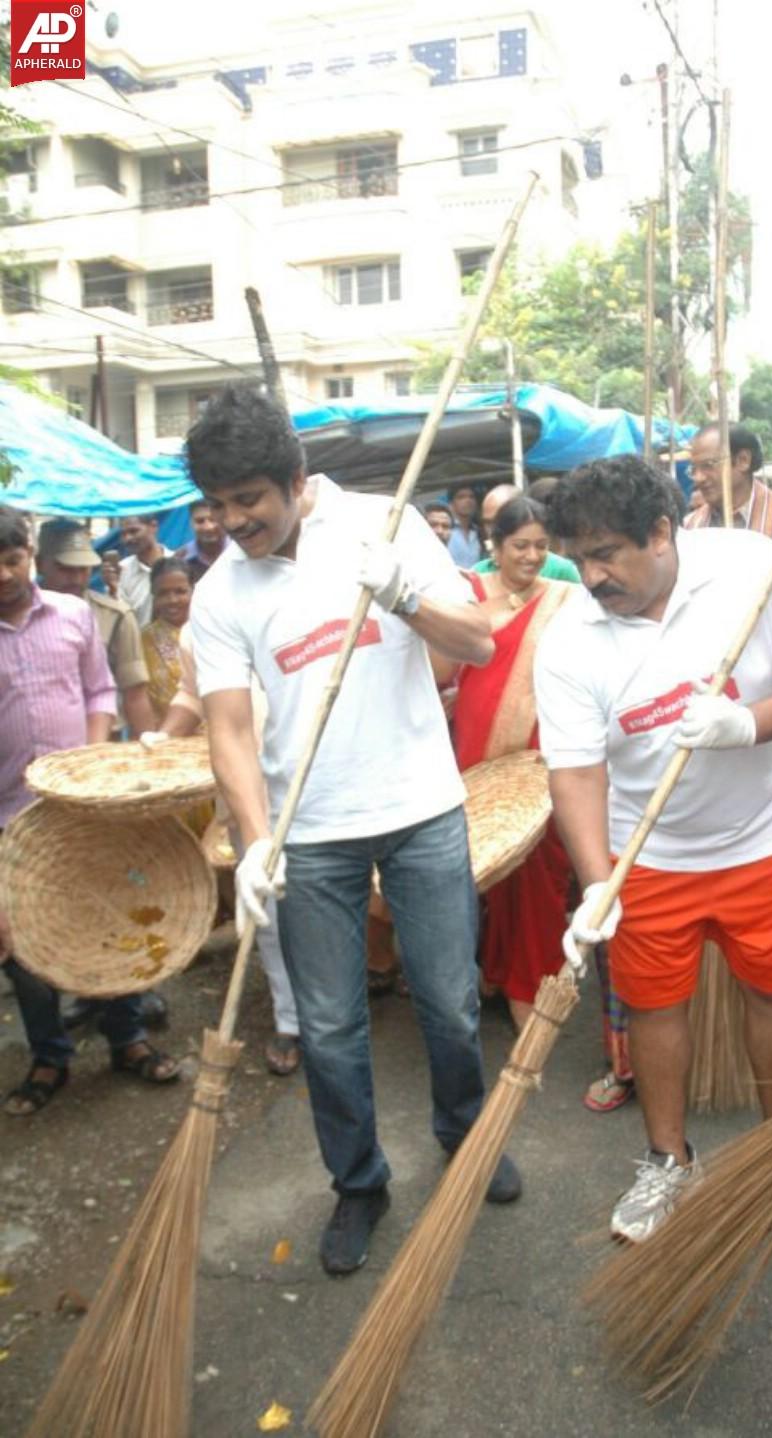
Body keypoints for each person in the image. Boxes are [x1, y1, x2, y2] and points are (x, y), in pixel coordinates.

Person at [185, 385, 521, 1277]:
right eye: (216, 505)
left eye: (247, 499)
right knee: (330, 1027)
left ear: (295, 480)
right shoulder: (219, 594)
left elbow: (480, 643)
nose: (232, 521)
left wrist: (406, 592)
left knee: (448, 1002)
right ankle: (358, 1182)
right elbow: (227, 729)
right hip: (311, 834)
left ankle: (463, 1134)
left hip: (421, 811)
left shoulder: (386, 524)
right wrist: (256, 839)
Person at [533, 456, 772, 1242]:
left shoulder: (749, 567)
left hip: (761, 837)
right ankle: (666, 1160)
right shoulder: (569, 638)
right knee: (653, 1007)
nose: (592, 573)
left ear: (664, 533)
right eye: (579, 553)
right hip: (651, 855)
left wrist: (749, 723)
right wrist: (597, 884)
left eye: (607, 552)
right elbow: (575, 771)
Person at [0, 506, 179, 1116]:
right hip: (13, 816)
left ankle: (127, 1038)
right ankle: (50, 1055)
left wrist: (97, 755)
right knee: (25, 945)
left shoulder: (75, 615)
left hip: (87, 804)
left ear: (28, 553)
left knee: (114, 918)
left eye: (12, 560)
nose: (3, 574)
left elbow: (102, 690)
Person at [140, 625, 302, 1076]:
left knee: (323, 905)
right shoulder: (202, 628)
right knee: (266, 915)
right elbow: (192, 697)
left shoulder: (304, 602)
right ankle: (290, 1020)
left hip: (314, 789)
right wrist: (166, 736)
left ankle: (335, 1013)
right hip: (246, 795)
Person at [448, 495, 574, 1029]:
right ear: (493, 546)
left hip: (540, 759)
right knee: (483, 872)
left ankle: (531, 986)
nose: (532, 557)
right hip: (475, 754)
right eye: (520, 545)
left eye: (542, 546)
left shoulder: (564, 598)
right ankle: (492, 969)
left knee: (539, 877)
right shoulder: (464, 596)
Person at [34, 518, 157, 737]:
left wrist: (149, 755)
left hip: (103, 743)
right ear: (40, 563)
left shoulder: (115, 616)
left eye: (84, 569)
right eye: (66, 569)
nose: (77, 578)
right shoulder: (16, 616)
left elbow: (135, 694)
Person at [685, 423, 772, 575]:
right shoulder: (690, 527)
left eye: (708, 465)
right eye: (693, 469)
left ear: (743, 460)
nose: (698, 478)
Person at [475, 482, 581, 583]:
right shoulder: (477, 575)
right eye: (488, 523)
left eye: (505, 520)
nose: (494, 530)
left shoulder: (561, 571)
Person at [141, 556, 195, 722]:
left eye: (180, 591)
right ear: (153, 595)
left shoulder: (212, 632)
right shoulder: (142, 641)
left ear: (193, 590)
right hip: (164, 739)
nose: (172, 600)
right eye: (163, 593)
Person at [113, 513, 172, 627]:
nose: (128, 538)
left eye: (133, 531)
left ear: (153, 527)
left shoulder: (179, 563)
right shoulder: (122, 571)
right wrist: (113, 588)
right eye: (123, 534)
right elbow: (121, 619)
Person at [176, 497, 228, 583]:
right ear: (191, 523)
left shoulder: (242, 551)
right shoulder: (180, 559)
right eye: (200, 521)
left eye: (213, 520)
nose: (208, 527)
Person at [446, 483, 483, 566]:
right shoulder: (445, 530)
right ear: (451, 504)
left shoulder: (479, 532)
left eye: (471, 497)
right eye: (461, 497)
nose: (468, 500)